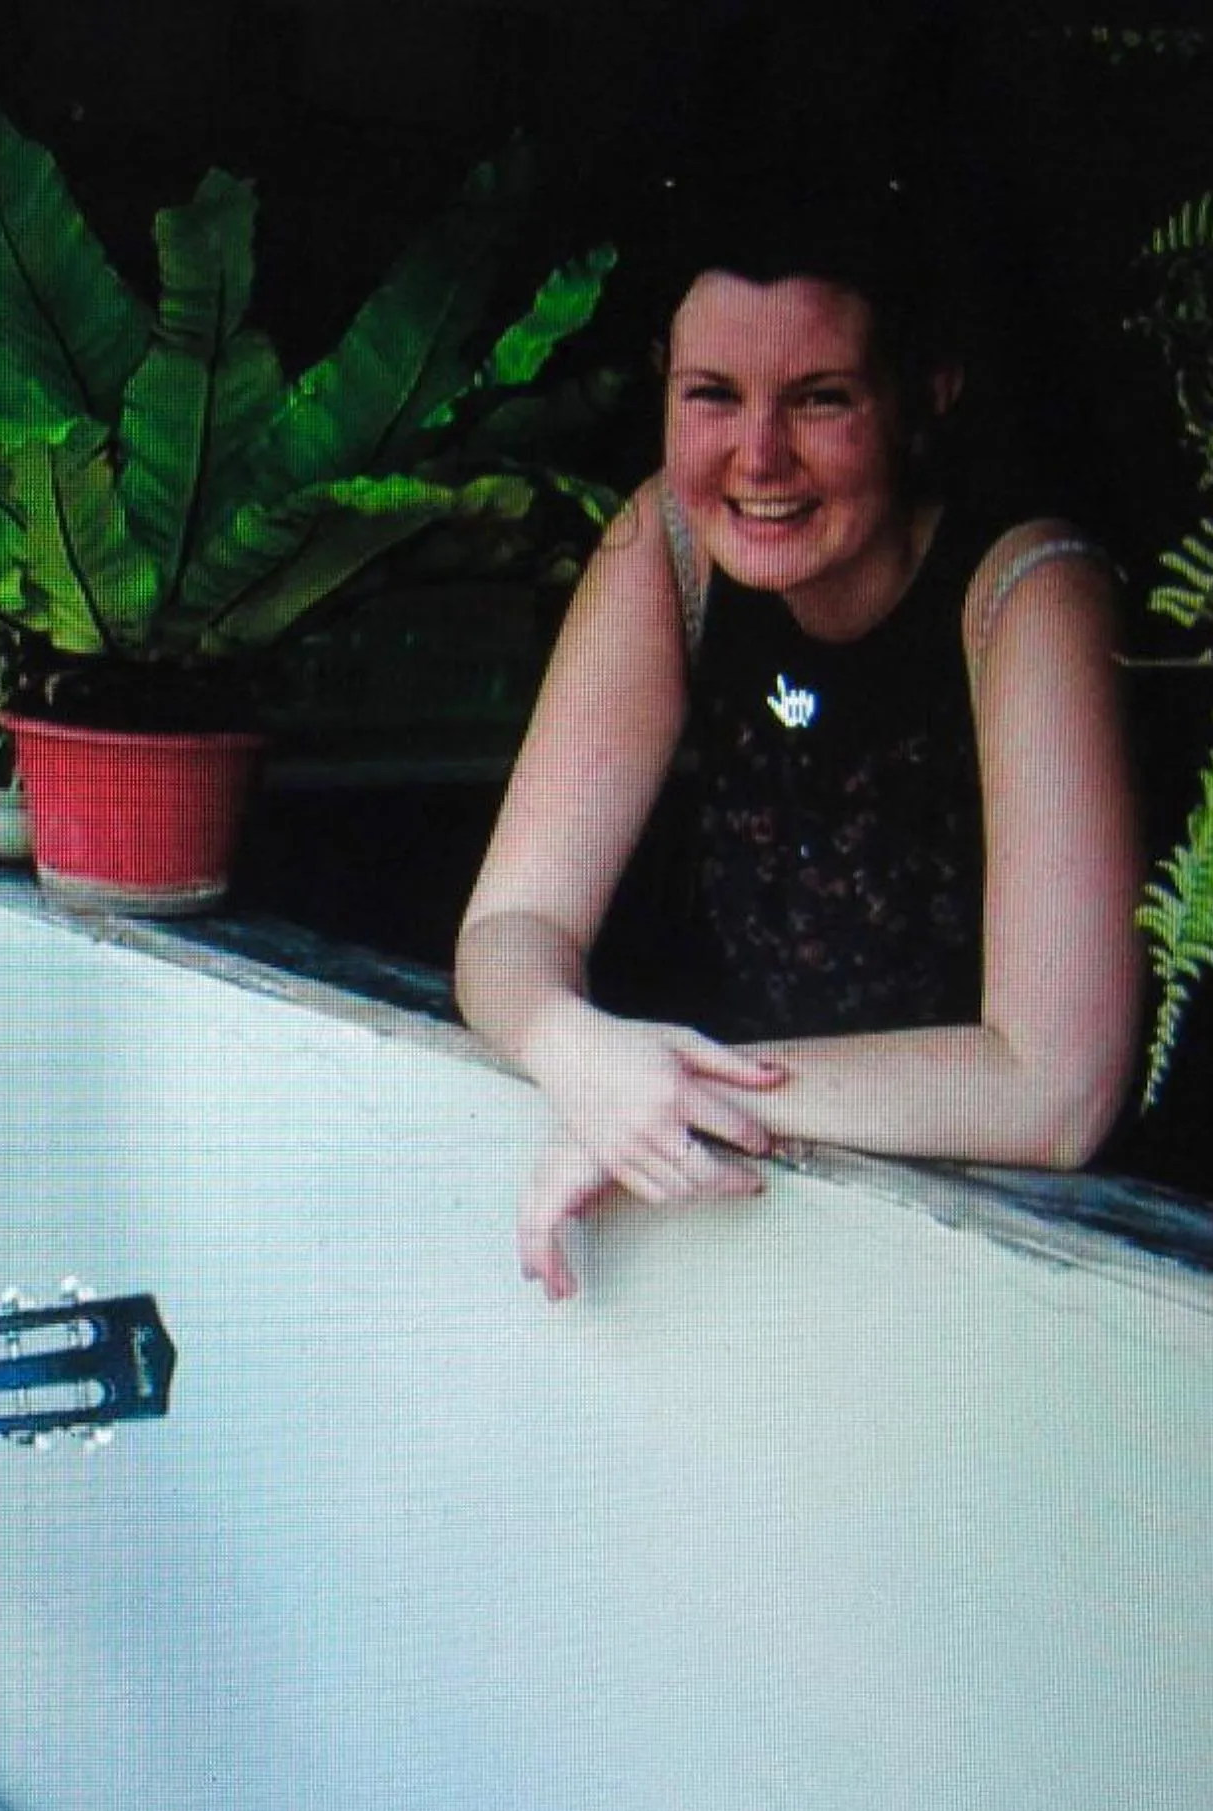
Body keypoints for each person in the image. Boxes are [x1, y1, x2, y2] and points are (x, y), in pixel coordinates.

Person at [453, 183, 1143, 1301]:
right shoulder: (664, 541)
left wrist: (671, 1095)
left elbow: (1054, 1085)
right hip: (751, 1209)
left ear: (925, 397)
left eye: (819, 400)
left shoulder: (1026, 592)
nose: (758, 456)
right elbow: (509, 922)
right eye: (712, 396)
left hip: (1021, 1266)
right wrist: (577, 1052)